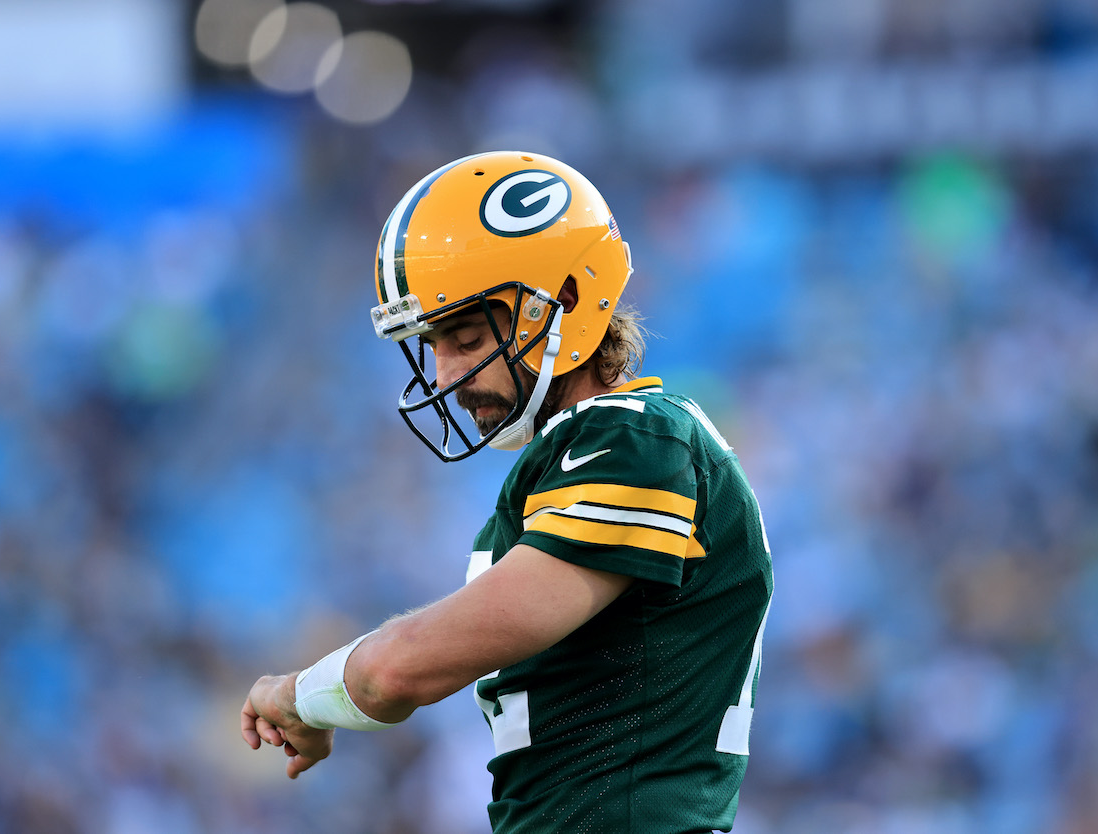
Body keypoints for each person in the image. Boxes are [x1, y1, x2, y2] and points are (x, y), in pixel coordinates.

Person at [241, 151, 774, 833]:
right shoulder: (570, 464)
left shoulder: (638, 443)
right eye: (433, 344)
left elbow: (402, 671)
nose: (448, 374)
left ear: (568, 302)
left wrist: (301, 695)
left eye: (464, 337)